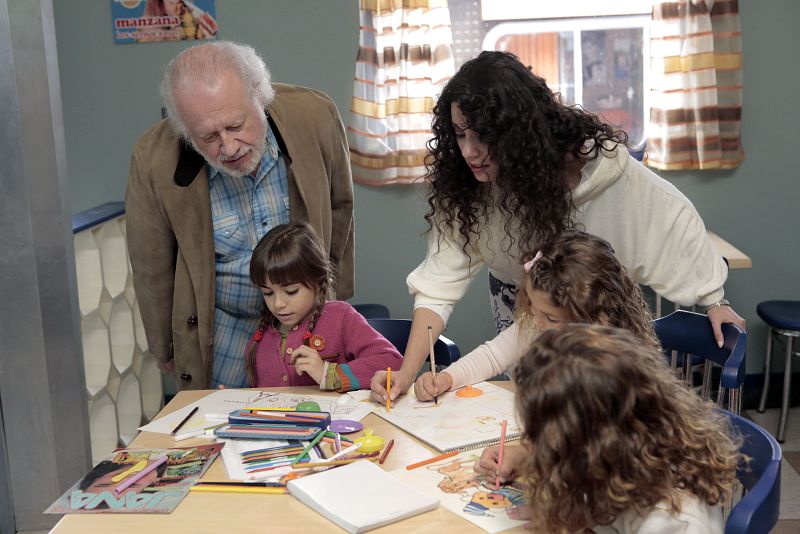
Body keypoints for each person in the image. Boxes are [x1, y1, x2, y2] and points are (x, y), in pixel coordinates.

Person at [371, 50, 744, 402]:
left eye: (483, 134)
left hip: (594, 323)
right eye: (459, 133)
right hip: (526, 297)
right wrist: (408, 373)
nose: (468, 151)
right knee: (535, 396)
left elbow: (669, 217)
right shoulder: (473, 191)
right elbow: (445, 295)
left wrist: (714, 298)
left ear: (519, 134)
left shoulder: (610, 180)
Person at [126, 41, 354, 390]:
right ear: (185, 130)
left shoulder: (315, 117)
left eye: (235, 126)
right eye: (208, 137)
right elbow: (150, 264)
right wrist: (165, 345)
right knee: (222, 434)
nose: (229, 148)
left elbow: (340, 207)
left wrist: (335, 297)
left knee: (313, 418)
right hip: (223, 327)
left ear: (259, 96)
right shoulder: (152, 160)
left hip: (308, 316)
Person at [475, 324, 740, 533]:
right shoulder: (626, 453)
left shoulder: (675, 522)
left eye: (542, 437)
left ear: (589, 443)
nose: (534, 443)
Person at [413, 230, 658, 401]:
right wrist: (447, 378)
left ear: (595, 319)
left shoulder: (618, 367)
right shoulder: (538, 323)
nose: (537, 323)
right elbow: (492, 356)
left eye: (551, 318)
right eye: (532, 306)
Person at [244, 222, 402, 390]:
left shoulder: (341, 317)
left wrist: (330, 374)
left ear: (318, 282)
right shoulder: (260, 340)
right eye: (268, 293)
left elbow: (393, 362)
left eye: (291, 291)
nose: (278, 304)